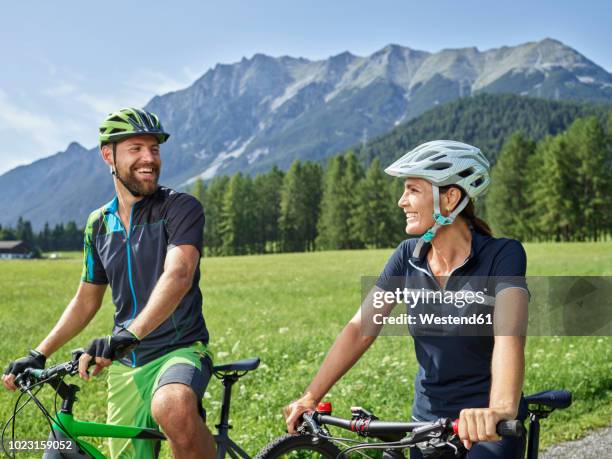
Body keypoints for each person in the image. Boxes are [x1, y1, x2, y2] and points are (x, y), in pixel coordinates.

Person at [283, 140, 529, 458]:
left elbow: (509, 335)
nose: (401, 202)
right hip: (427, 426)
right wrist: (311, 396)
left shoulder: (502, 255)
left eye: (412, 190)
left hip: (488, 428)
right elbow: (360, 329)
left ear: (450, 197)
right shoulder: (406, 258)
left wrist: (499, 409)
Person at [3, 107, 216, 459]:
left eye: (155, 149)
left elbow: (178, 275)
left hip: (179, 348)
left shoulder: (180, 208)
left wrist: (128, 336)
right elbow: (86, 299)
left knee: (172, 406)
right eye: (136, 149)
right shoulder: (98, 225)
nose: (149, 158)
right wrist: (37, 353)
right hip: (126, 364)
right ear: (109, 155)